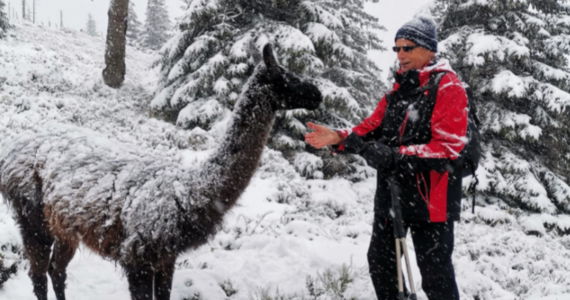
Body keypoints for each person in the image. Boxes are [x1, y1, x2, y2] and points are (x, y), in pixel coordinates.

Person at [305, 16, 466, 300]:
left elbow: (446, 149)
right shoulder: (397, 90)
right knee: (381, 266)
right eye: (397, 48)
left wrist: (394, 156)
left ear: (429, 49)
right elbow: (368, 129)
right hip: (391, 196)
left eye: (407, 47)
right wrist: (339, 137)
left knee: (435, 276)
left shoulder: (448, 86)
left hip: (433, 201)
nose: (400, 54)